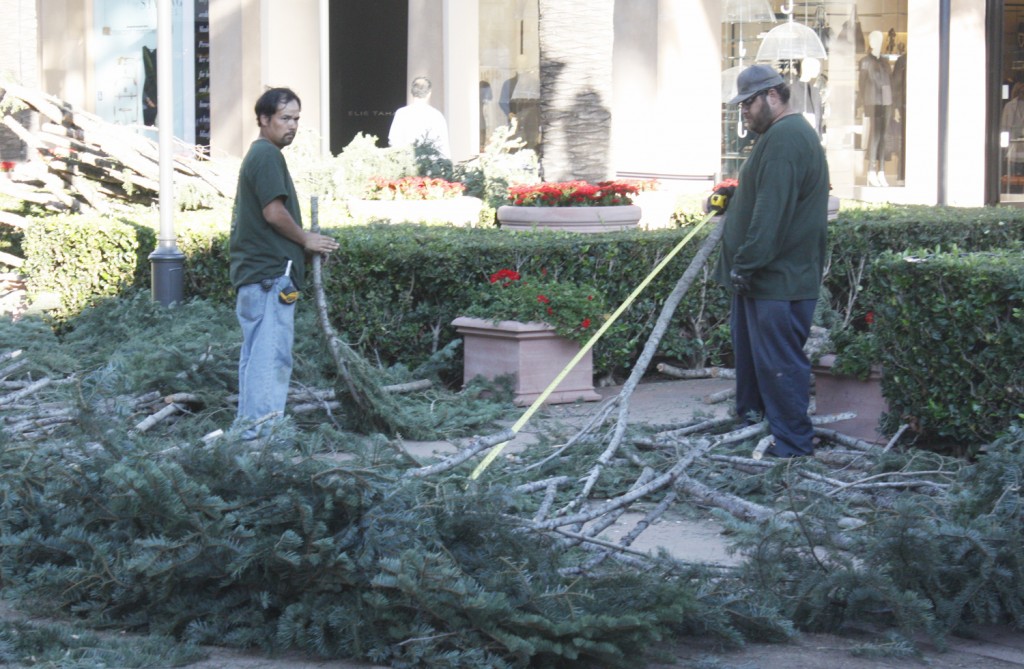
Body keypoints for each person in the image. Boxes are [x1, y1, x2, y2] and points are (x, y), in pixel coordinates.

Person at [715, 64, 831, 458]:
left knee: (779, 367)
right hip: (763, 281)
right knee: (755, 367)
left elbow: (772, 213)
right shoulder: (779, 137)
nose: (743, 111)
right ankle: (752, 431)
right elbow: (765, 194)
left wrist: (745, 264)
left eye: (748, 102)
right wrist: (734, 197)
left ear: (773, 96)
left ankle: (794, 450)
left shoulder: (786, 138)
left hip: (777, 281)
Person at [229, 87, 339, 438]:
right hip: (269, 277)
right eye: (284, 118)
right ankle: (263, 440)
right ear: (263, 119)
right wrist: (305, 239)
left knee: (255, 357)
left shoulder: (262, 154)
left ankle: (247, 432)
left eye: (296, 119)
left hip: (257, 276)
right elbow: (273, 213)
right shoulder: (266, 156)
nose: (292, 126)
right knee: (270, 358)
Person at [858, 30, 893, 187]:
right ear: (870, 42)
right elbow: (862, 84)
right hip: (874, 101)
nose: (876, 42)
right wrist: (865, 104)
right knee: (875, 136)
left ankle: (881, 171)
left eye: (879, 39)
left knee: (884, 136)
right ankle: (871, 170)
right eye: (873, 39)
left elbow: (889, 82)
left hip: (886, 101)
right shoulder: (865, 61)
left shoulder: (885, 62)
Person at [388, 76, 451, 159]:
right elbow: (443, 146)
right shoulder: (437, 116)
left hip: (407, 166)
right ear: (429, 93)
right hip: (430, 166)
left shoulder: (401, 113)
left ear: (412, 91)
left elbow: (394, 141)